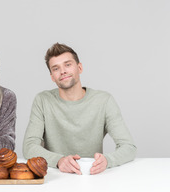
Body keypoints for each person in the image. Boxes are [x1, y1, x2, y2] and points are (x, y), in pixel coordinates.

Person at [23, 43, 137, 175]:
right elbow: (29, 146)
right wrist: (59, 161)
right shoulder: (42, 100)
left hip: (94, 176)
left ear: (80, 67)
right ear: (52, 77)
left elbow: (129, 147)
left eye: (68, 64)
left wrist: (107, 161)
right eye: (56, 68)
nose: (63, 71)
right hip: (55, 176)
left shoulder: (104, 101)